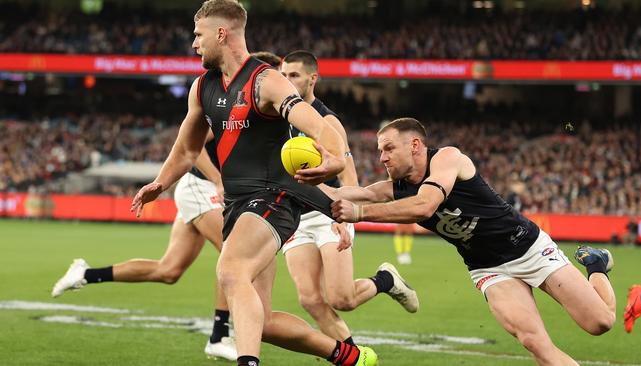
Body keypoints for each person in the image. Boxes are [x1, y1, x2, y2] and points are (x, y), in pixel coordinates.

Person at [129, 1, 394, 365]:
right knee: (261, 321)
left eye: (198, 35)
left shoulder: (266, 80)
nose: (193, 44)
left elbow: (318, 125)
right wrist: (160, 184)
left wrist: (333, 157)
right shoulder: (202, 87)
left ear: (221, 33)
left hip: (276, 197)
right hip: (238, 205)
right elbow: (188, 150)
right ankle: (347, 356)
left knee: (230, 270)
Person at [326, 117, 617, 366]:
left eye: (388, 148)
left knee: (600, 323)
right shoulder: (394, 188)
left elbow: (425, 206)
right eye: (380, 151)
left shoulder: (447, 158)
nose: (382, 158)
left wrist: (360, 214)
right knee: (536, 343)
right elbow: (348, 195)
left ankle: (596, 264)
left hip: (527, 247)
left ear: (414, 145)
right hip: (487, 268)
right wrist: (302, 182)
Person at [51, 138, 238, 361]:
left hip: (205, 188)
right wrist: (218, 180)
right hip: (202, 186)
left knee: (168, 271)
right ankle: (219, 336)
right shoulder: (231, 103)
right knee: (232, 251)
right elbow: (192, 145)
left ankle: (84, 274)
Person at [279, 50, 418, 344]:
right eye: (283, 75)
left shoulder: (327, 122)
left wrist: (344, 217)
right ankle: (354, 357)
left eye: (294, 75)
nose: (287, 81)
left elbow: (349, 173)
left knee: (342, 299)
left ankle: (387, 280)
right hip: (293, 217)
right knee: (310, 300)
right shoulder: (276, 115)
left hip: (327, 212)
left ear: (312, 79)